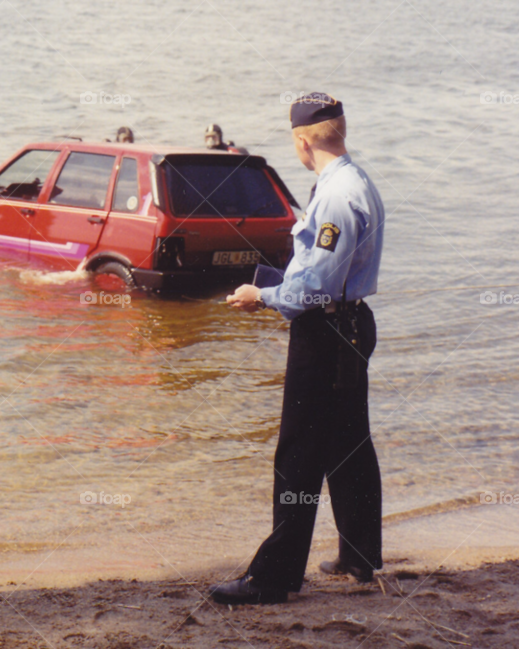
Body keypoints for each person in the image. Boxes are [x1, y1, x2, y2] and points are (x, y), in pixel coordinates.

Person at [211, 92, 385, 605]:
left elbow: (316, 287)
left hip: (327, 331)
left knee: (298, 455)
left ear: (302, 138)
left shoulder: (334, 196)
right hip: (349, 324)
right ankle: (358, 554)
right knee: (348, 441)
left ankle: (273, 577)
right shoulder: (356, 181)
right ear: (341, 130)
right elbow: (324, 274)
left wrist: (261, 296)